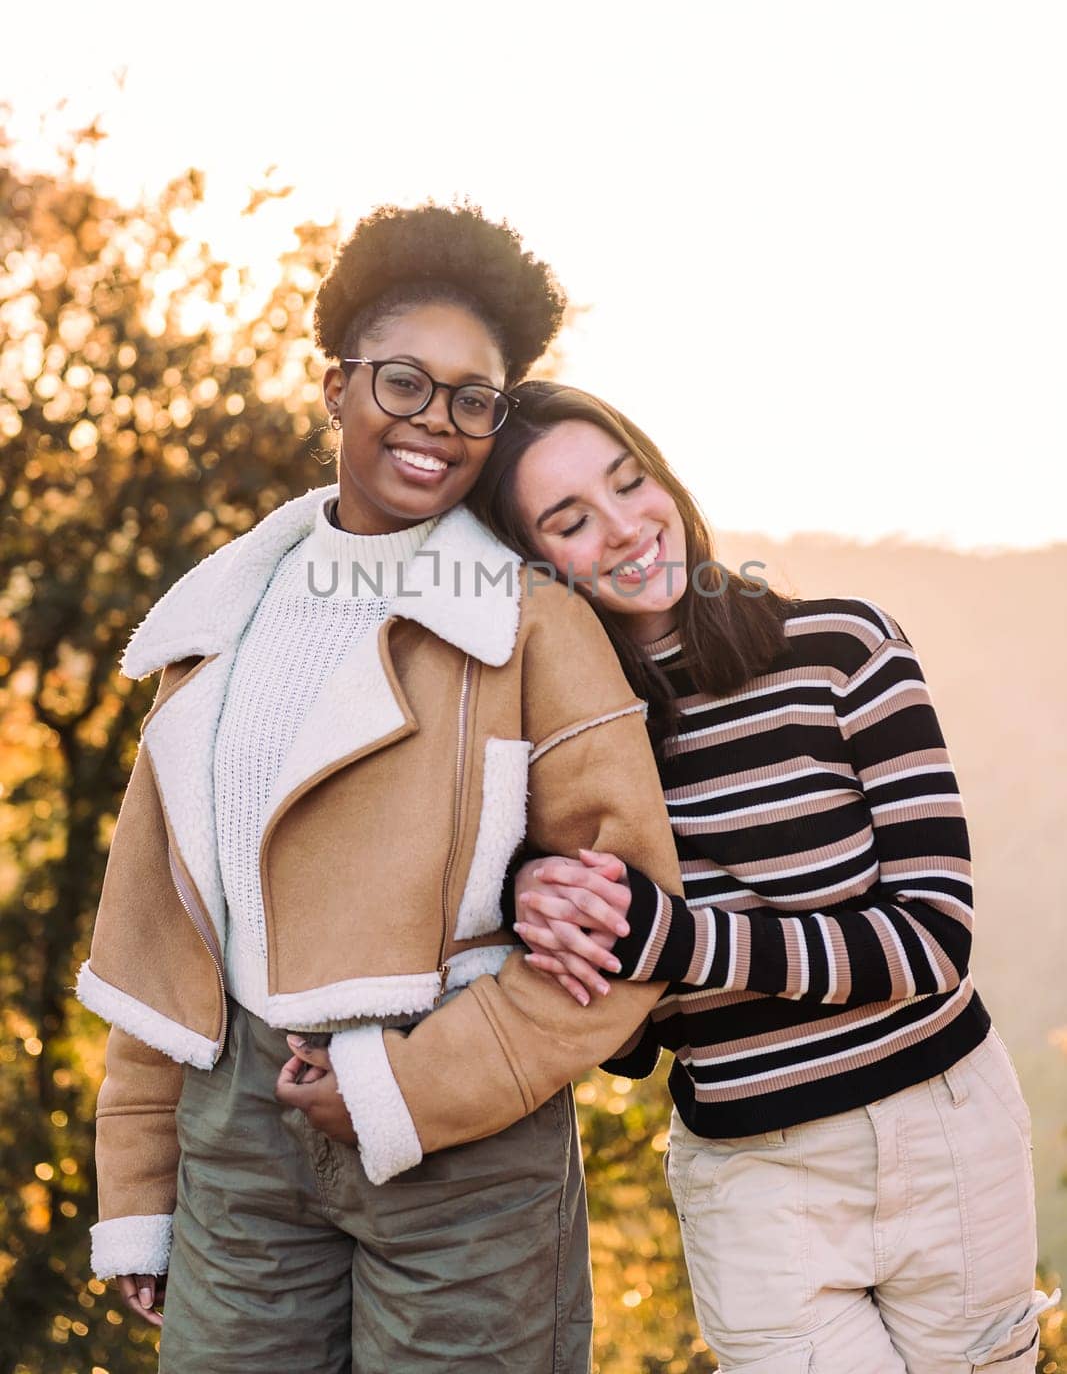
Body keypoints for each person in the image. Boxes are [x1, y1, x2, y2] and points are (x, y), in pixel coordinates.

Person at [77, 206, 682, 1374]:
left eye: (472, 399)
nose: (437, 424)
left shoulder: (530, 622)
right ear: (335, 388)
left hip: (460, 1141)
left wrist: (404, 1086)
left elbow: (621, 940)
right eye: (404, 383)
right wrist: (140, 1183)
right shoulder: (219, 620)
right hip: (237, 1137)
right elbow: (168, 932)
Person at [472, 379, 1057, 1374]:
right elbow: (625, 1041)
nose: (625, 527)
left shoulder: (842, 645)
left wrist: (674, 937)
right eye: (571, 519)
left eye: (629, 482)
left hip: (946, 1131)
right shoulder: (551, 756)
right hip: (754, 1175)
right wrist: (536, 902)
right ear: (530, 567)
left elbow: (929, 941)